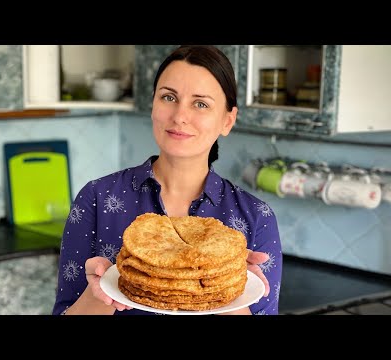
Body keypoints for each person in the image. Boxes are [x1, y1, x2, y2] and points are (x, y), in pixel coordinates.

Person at [52, 45, 282, 315]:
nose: (180, 116)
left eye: (201, 104)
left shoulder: (256, 217)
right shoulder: (97, 198)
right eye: (169, 97)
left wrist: (227, 285)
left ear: (227, 121)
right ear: (153, 105)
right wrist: (98, 293)